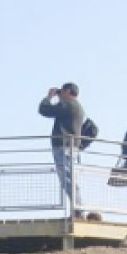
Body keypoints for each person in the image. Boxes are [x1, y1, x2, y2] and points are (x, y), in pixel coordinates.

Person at [38, 82, 88, 219]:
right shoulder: (76, 106)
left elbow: (44, 110)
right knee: (69, 178)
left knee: (67, 179)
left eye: (62, 92)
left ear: (68, 92)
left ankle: (78, 210)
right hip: (71, 147)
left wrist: (49, 97)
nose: (60, 95)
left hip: (64, 147)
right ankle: (78, 209)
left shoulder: (68, 104)